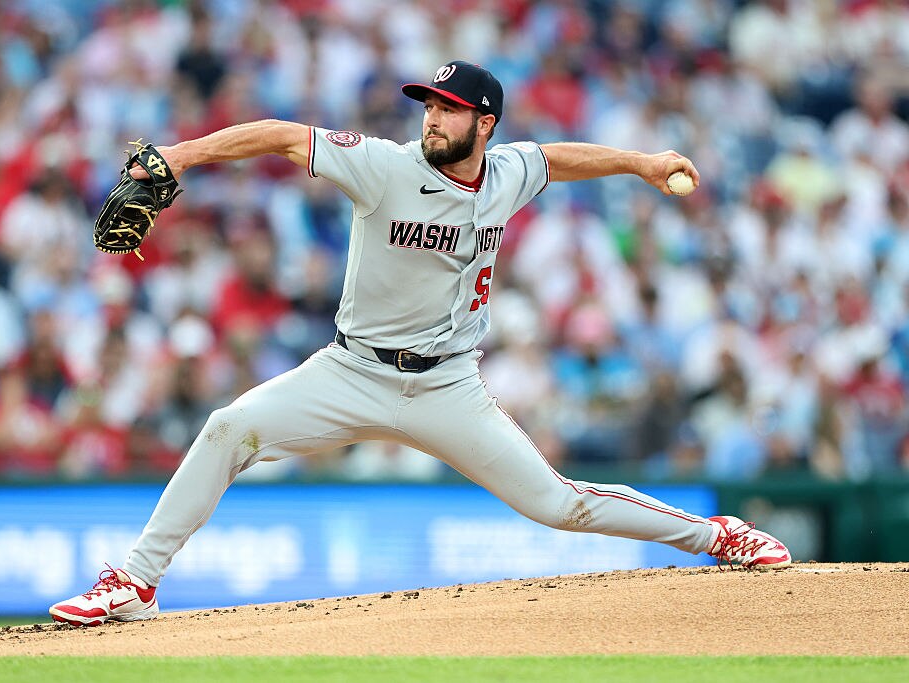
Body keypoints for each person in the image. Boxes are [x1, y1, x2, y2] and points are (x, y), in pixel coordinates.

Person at [49, 61, 791, 627]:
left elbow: (558, 157)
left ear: (486, 124)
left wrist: (642, 162)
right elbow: (280, 135)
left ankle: (716, 534)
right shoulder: (385, 165)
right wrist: (181, 155)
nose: (432, 118)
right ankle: (136, 583)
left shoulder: (508, 172)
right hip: (349, 371)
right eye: (430, 105)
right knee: (226, 428)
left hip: (447, 387)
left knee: (560, 504)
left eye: (449, 109)